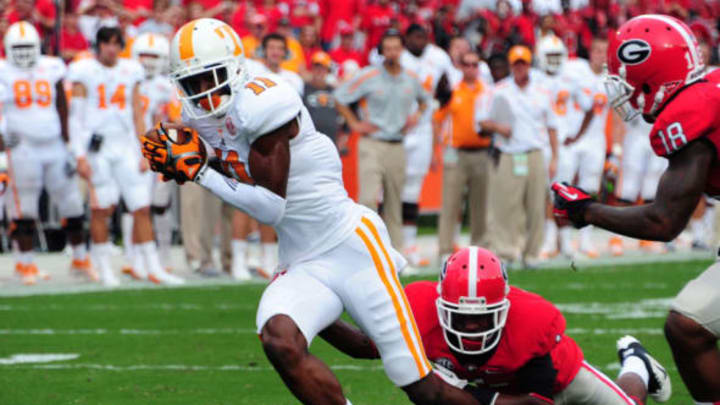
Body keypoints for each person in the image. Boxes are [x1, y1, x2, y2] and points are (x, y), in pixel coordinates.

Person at [142, 17, 482, 405]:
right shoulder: (199, 117)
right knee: (280, 339)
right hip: (300, 259)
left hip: (350, 245)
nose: (203, 93)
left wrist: (200, 170)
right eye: (192, 83)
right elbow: (226, 165)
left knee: (420, 387)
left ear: (234, 67)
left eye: (211, 77)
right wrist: (180, 158)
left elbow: (270, 207)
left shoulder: (264, 101)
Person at [553, 14, 720, 405]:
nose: (625, 91)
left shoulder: (693, 109)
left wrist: (587, 212)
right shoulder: (710, 85)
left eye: (628, 79)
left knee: (687, 326)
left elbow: (664, 222)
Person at [321, 246, 671, 405]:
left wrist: (456, 393)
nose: (471, 326)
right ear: (441, 305)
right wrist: (317, 315)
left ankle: (637, 365)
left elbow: (535, 403)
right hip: (493, 388)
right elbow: (364, 345)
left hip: (560, 379)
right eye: (461, 316)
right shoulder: (417, 309)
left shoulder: (531, 322)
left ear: (504, 307)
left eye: (481, 317)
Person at [68, 26, 183, 286]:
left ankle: (153, 267)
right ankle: (103, 267)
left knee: (141, 206)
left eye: (115, 43)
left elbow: (137, 112)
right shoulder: (84, 71)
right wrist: (79, 155)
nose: (111, 48)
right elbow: (75, 118)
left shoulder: (131, 71)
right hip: (97, 147)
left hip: (125, 145)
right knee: (102, 208)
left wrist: (144, 149)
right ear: (98, 45)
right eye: (106, 43)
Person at [0, 21, 92, 285]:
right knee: (24, 209)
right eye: (18, 47)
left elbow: (63, 107)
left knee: (72, 203)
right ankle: (25, 264)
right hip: (23, 148)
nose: (24, 53)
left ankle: (80, 259)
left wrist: (70, 143)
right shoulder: (3, 71)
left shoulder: (52, 67)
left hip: (54, 146)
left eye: (28, 47)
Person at [334, 29, 431, 250]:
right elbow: (340, 97)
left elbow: (426, 100)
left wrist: (415, 116)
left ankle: (396, 254)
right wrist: (354, 123)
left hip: (397, 145)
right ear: (382, 51)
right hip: (372, 143)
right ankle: (366, 250)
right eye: (388, 49)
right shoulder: (369, 76)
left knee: (395, 203)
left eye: (396, 48)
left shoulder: (411, 79)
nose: (392, 53)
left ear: (402, 50)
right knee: (367, 199)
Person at [479, 45, 558, 268]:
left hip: (534, 152)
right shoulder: (499, 90)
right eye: (516, 64)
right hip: (508, 153)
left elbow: (552, 126)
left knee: (535, 205)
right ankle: (506, 252)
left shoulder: (542, 91)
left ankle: (532, 253)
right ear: (511, 66)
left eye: (523, 63)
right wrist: (498, 127)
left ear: (529, 65)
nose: (520, 68)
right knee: (506, 204)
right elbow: (482, 120)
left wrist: (554, 157)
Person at [534, 35, 594, 259]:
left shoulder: (571, 78)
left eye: (557, 56)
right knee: (543, 195)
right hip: (540, 143)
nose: (553, 60)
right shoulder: (534, 79)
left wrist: (577, 135)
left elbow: (589, 107)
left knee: (563, 193)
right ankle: (548, 241)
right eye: (549, 56)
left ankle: (565, 242)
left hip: (564, 144)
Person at [399, 23, 453, 269]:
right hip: (396, 130)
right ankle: (391, 245)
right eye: (414, 36)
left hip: (422, 130)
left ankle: (409, 246)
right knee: (388, 190)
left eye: (422, 36)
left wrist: (437, 109)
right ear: (406, 38)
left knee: (412, 189)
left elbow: (447, 88)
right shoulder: (396, 55)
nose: (419, 41)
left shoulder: (438, 58)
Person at [553, 36, 610, 258]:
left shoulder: (610, 80)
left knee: (589, 191)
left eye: (604, 51)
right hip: (570, 139)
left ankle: (585, 240)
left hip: (595, 141)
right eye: (597, 50)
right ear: (590, 51)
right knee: (564, 189)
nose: (600, 55)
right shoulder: (574, 69)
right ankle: (562, 242)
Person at [434, 50, 492, 264]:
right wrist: (436, 149)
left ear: (479, 68)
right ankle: (445, 249)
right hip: (455, 152)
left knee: (480, 204)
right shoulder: (452, 91)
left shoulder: (487, 92)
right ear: (461, 67)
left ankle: (480, 249)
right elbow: (438, 119)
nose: (470, 68)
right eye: (466, 64)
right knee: (450, 202)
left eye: (474, 65)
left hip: (481, 151)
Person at [129, 32, 179, 273]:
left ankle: (164, 257)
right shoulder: (126, 79)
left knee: (160, 205)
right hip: (130, 150)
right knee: (136, 205)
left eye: (153, 56)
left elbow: (175, 119)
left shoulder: (167, 86)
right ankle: (135, 259)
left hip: (159, 150)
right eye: (143, 55)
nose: (147, 61)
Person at [303, 51, 341, 145]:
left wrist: (345, 132)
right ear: (311, 69)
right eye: (316, 67)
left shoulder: (334, 90)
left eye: (323, 68)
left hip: (332, 139)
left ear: (328, 70)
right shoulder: (303, 89)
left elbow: (346, 111)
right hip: (309, 140)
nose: (319, 71)